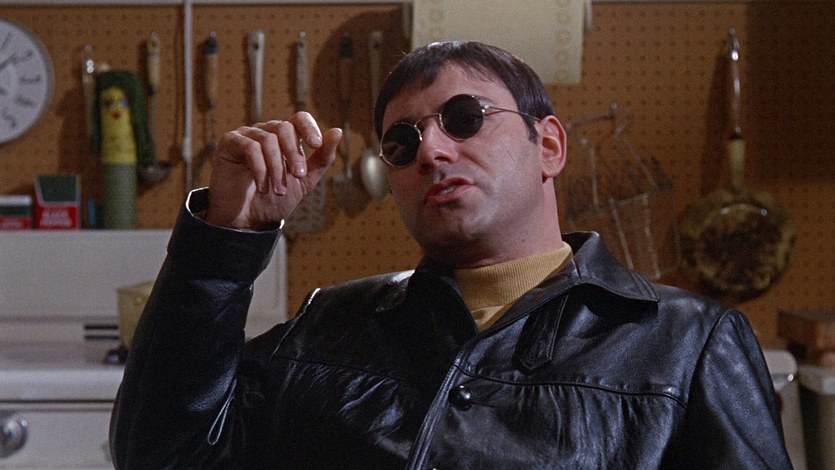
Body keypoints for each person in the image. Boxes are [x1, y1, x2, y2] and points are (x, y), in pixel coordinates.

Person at [110, 41, 791, 469]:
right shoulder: (327, 327)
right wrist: (223, 242)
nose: (431, 151)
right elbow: (161, 455)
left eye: (465, 119)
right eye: (401, 143)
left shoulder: (686, 344)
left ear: (550, 146)